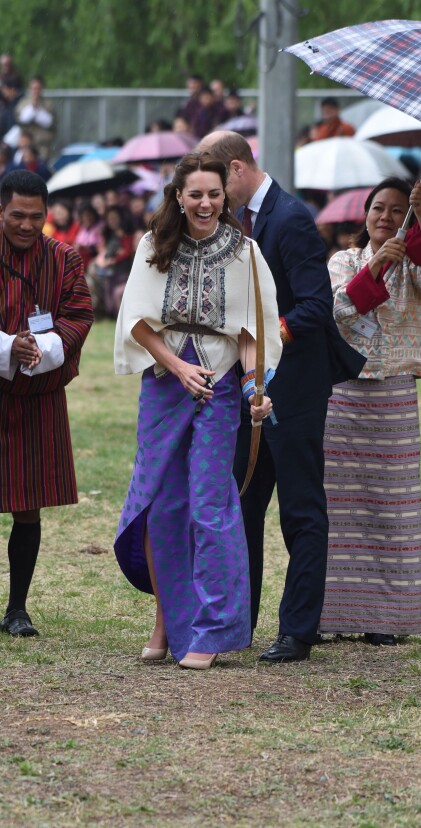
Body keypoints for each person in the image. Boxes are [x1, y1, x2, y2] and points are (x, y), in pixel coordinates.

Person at [197, 130, 365, 663]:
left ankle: (298, 630)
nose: (210, 197)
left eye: (216, 184)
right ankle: (236, 623)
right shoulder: (235, 223)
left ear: (237, 168)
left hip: (293, 387)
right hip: (248, 389)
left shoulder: (289, 219)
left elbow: (315, 308)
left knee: (300, 509)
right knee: (243, 505)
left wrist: (264, 341)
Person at [113, 153, 282, 669]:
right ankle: (166, 622)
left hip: (219, 388)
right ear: (179, 197)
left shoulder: (246, 252)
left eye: (214, 194)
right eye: (195, 194)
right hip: (165, 383)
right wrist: (177, 366)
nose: (205, 203)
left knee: (209, 504)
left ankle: (211, 630)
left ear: (225, 196)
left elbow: (252, 332)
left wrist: (254, 388)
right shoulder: (153, 244)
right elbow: (136, 322)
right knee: (161, 504)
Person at [317, 177, 421, 644]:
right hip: (343, 393)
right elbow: (339, 308)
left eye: (397, 210)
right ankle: (335, 615)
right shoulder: (343, 260)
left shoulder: (414, 263)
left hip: (393, 393)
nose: (385, 216)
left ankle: (386, 620)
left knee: (392, 509)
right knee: (340, 508)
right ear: (366, 213)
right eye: (378, 207)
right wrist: (375, 265)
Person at [0, 170, 93, 636]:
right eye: (17, 215)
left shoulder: (64, 258)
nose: (27, 225)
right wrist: (6, 347)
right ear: (1, 210)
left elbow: (79, 315)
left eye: (36, 216)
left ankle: (17, 609)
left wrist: (42, 347)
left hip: (38, 396)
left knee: (28, 504)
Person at [15, 77, 56, 162]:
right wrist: (32, 107)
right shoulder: (23, 103)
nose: (35, 91)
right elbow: (21, 119)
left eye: (38, 88)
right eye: (33, 88)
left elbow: (50, 122)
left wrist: (38, 111)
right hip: (26, 146)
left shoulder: (48, 104)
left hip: (43, 145)